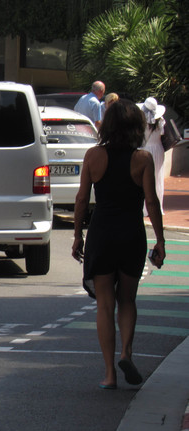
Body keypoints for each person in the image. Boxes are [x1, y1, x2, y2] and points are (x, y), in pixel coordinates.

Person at [72, 99, 165, 390]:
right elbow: (151, 201)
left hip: (102, 234)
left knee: (104, 304)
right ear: (136, 127)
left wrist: (77, 235)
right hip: (131, 234)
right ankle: (126, 352)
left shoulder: (93, 156)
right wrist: (160, 241)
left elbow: (81, 199)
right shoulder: (142, 159)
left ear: (108, 125)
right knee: (127, 300)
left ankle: (110, 373)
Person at [138, 97, 166, 215]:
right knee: (158, 177)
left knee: (145, 178)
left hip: (146, 149)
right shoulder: (161, 121)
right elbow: (162, 133)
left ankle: (145, 207)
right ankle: (158, 205)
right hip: (158, 149)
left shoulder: (142, 122)